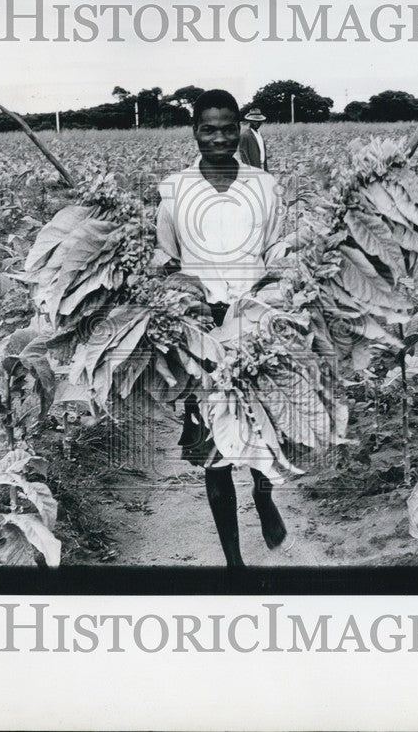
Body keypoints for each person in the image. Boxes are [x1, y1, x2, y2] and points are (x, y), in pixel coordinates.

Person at [156, 89, 287, 568]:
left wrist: (279, 282)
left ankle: (264, 491)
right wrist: (178, 298)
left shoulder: (263, 186)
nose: (219, 137)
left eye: (228, 128)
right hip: (200, 333)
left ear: (241, 129)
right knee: (212, 448)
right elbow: (166, 258)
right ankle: (234, 564)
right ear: (193, 131)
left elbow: (275, 249)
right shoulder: (175, 190)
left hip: (255, 324)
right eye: (208, 128)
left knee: (265, 426)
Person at [237, 107, 268, 171]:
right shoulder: (245, 135)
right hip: (253, 169)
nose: (257, 123)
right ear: (250, 121)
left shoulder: (259, 135)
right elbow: (244, 156)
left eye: (259, 121)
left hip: (261, 166)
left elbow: (263, 154)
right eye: (254, 121)